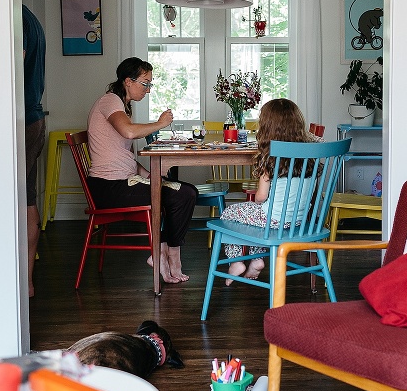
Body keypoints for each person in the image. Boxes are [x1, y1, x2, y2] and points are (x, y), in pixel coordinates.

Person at [86, 57, 197, 283]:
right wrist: (160, 123)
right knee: (182, 194)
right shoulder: (109, 101)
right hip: (109, 187)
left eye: (150, 84)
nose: (148, 89)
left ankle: (167, 254)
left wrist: (148, 174)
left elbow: (123, 154)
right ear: (128, 81)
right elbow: (128, 132)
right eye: (145, 83)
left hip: (123, 181)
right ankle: (165, 256)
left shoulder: (122, 106)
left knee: (187, 192)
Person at [220, 98, 315, 285]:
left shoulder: (271, 156)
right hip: (300, 220)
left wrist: (255, 198)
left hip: (273, 219)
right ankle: (255, 261)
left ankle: (238, 260)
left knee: (229, 213)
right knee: (255, 220)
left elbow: (261, 197)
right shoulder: (311, 155)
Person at [23, 4, 46, 298]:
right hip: (33, 117)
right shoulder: (31, 18)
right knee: (26, 200)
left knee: (17, 202)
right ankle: (26, 283)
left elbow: (13, 68)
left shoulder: (17, 18)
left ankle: (21, 282)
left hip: (23, 119)